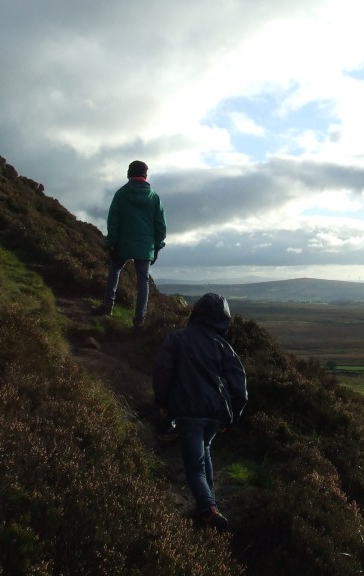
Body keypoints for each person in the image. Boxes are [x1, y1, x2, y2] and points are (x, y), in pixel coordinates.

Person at [152, 293, 248, 531]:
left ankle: (207, 510)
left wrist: (162, 401)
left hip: (187, 411)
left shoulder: (177, 338)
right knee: (204, 453)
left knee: (195, 465)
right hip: (215, 414)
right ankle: (209, 504)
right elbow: (240, 385)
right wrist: (233, 414)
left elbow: (163, 371)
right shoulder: (223, 346)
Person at [93, 160, 166, 328]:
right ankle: (139, 319)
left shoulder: (121, 194)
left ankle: (107, 306)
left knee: (114, 270)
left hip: (122, 243)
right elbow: (161, 225)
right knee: (143, 281)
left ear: (129, 173)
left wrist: (111, 242)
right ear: (145, 175)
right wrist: (157, 246)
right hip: (145, 245)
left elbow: (113, 220)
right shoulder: (154, 197)